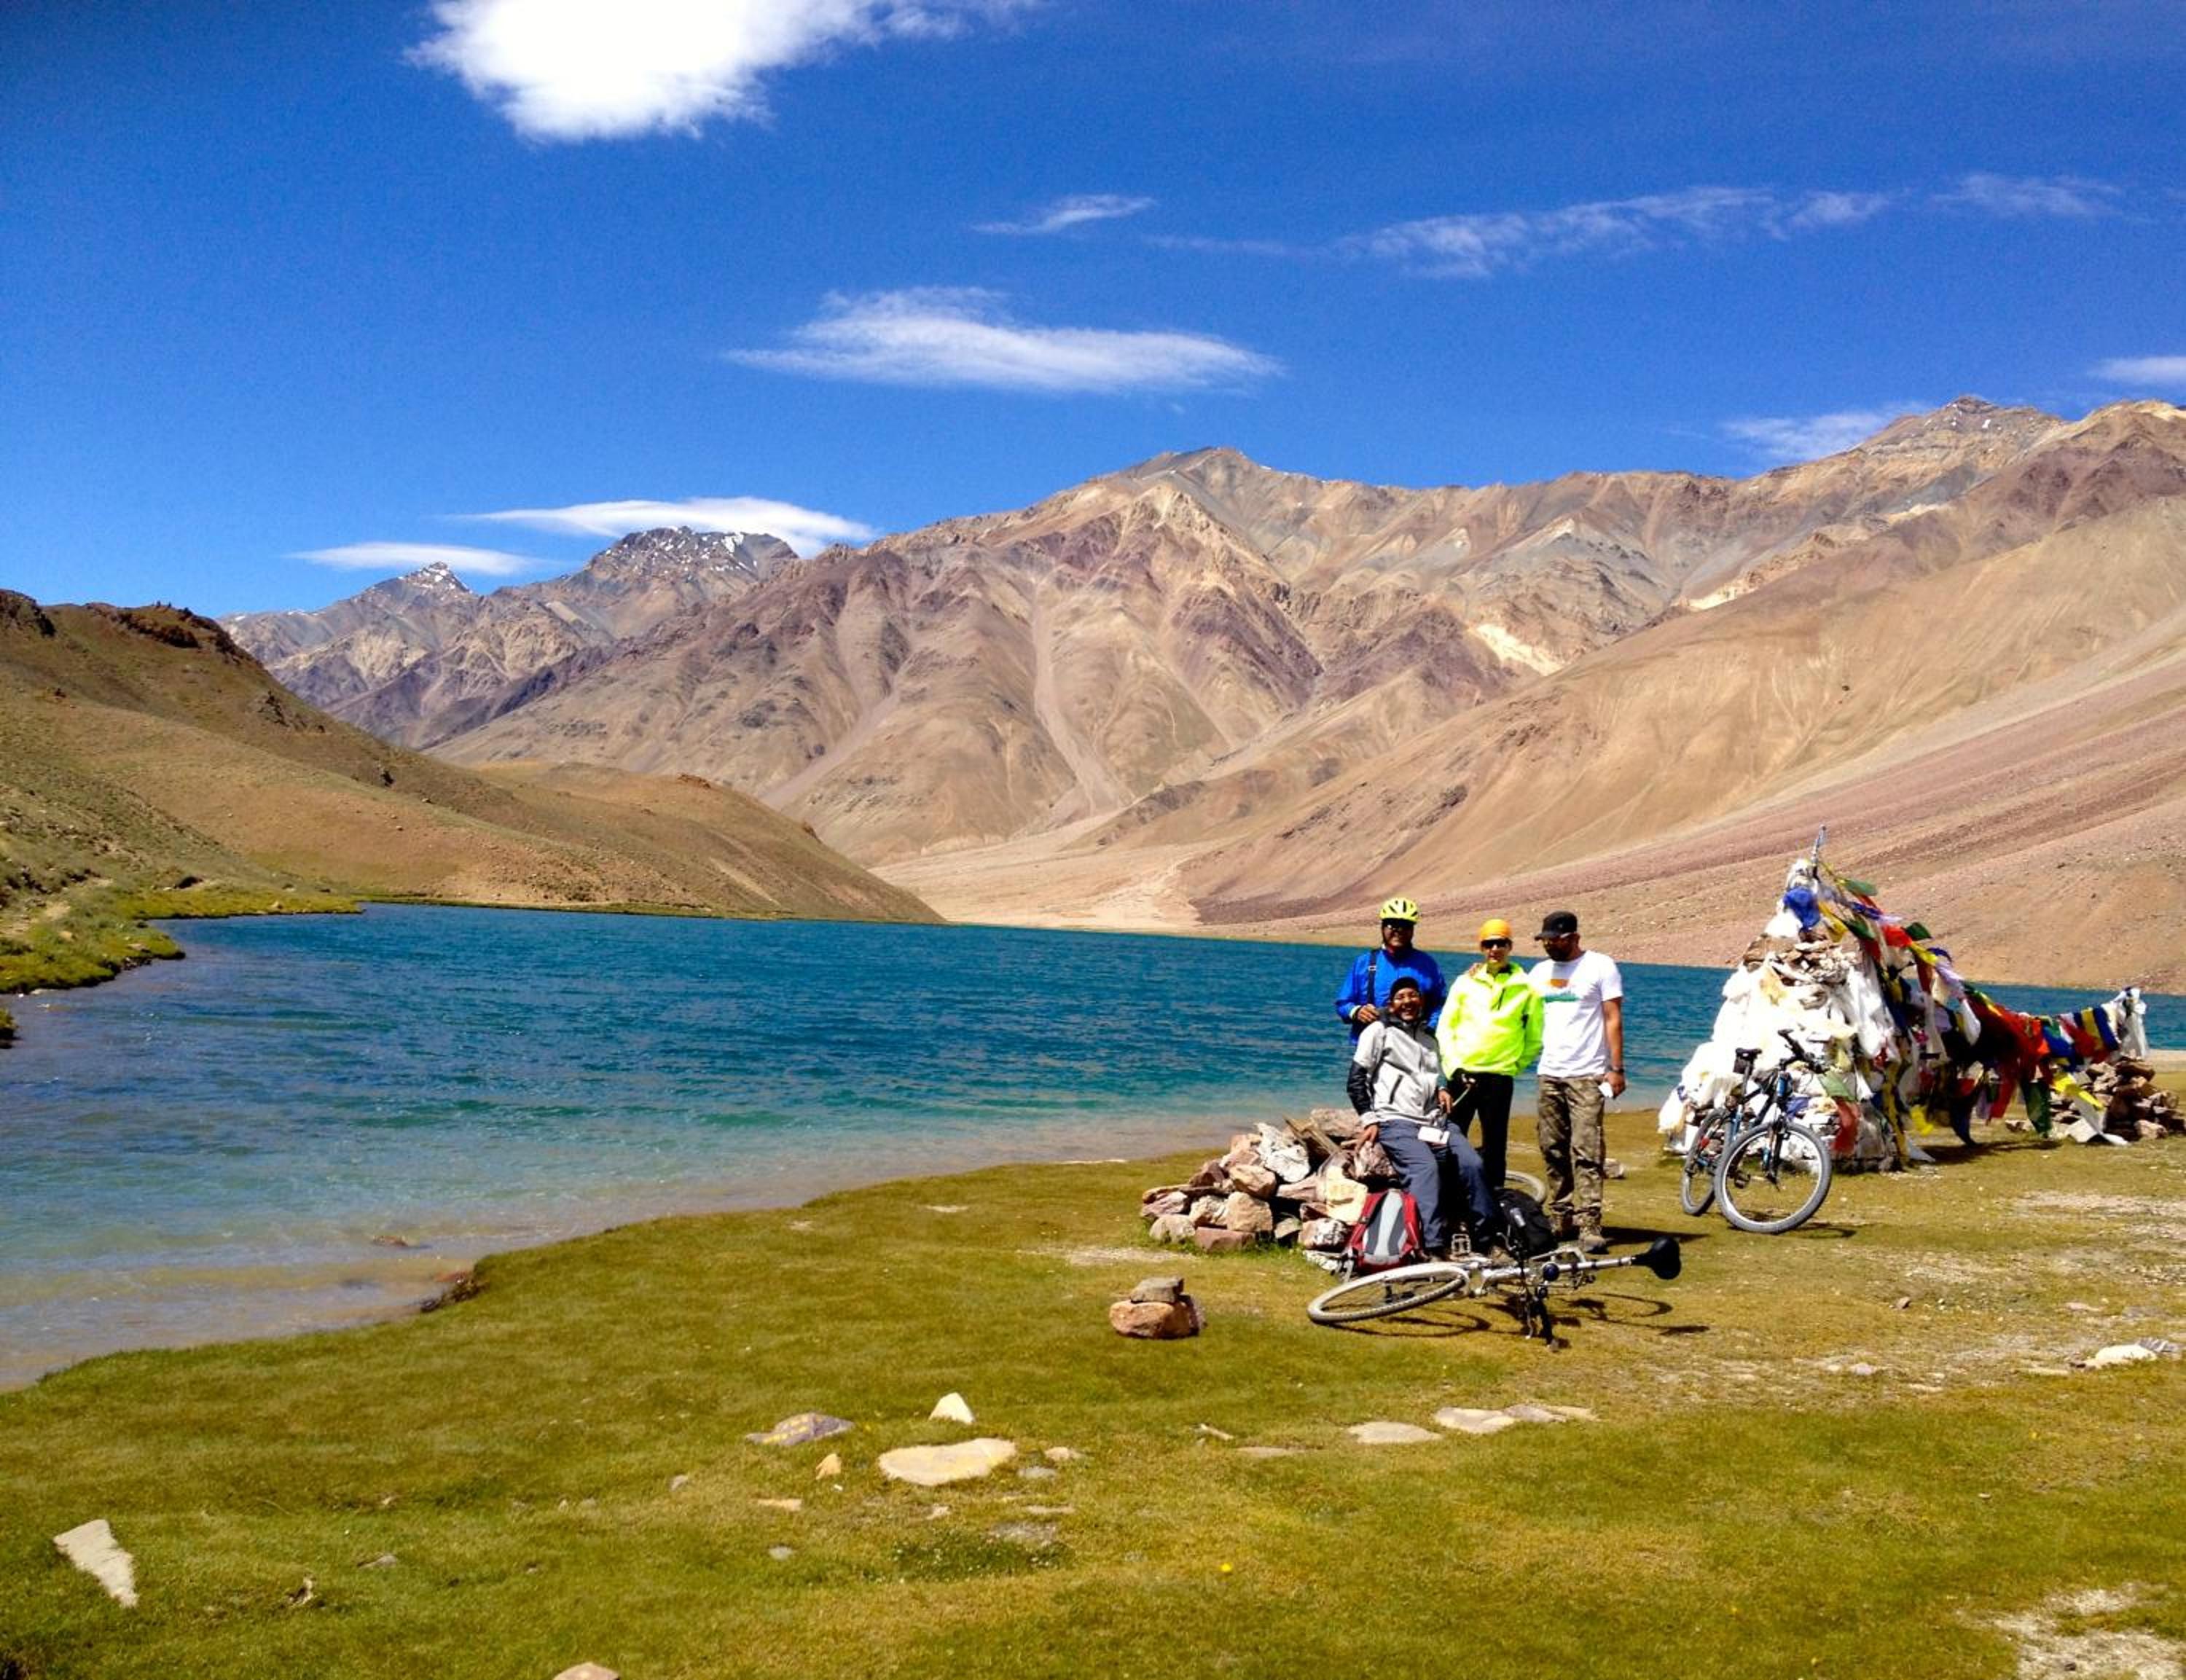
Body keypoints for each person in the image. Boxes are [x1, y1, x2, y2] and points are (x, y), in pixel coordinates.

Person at [1348, 976, 1497, 1257]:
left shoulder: (1430, 1037)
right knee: (1426, 1168)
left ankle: (1486, 1239)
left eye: (1413, 996)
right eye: (1401, 997)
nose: (1408, 1002)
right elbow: (1356, 1080)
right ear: (1391, 1004)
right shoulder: (1378, 1031)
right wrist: (1369, 1118)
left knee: (1473, 1164)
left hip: (1435, 1121)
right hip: (1396, 1121)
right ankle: (1432, 1245)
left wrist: (1441, 1088)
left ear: (1422, 1000)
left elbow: (1427, 1075)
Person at [1527, 909, 1625, 1255]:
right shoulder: (1540, 973)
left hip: (1588, 1074)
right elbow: (1515, 1004)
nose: (1549, 946)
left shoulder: (1600, 966)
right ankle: (1561, 1215)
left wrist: (1616, 1068)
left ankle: (1590, 1221)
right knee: (1552, 1146)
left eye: (1555, 940)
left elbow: (1613, 1018)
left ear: (1574, 938)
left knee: (1587, 1149)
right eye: (1545, 941)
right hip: (1550, 1072)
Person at [1434, 917, 1542, 1192]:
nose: (1495, 949)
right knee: (1450, 1137)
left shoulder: (1527, 987)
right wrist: (1453, 1067)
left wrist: (1514, 1065)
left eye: (1501, 943)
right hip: (1463, 1075)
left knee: (1495, 1143)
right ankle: (1448, 1197)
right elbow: (1446, 1028)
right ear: (1481, 948)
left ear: (1510, 946)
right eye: (1489, 943)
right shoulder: (1464, 983)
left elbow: (1535, 1035)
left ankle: (1494, 1199)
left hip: (1499, 1077)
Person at [1334, 897, 1447, 1041]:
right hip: (1372, 1048)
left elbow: (1441, 1005)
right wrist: (1356, 1011)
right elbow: (1343, 1004)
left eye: (1405, 926)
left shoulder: (1427, 965)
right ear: (1382, 927)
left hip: (1414, 1046)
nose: (1399, 931)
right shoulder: (1364, 963)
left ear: (1412, 929)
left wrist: (1429, 1029)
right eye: (1392, 925)